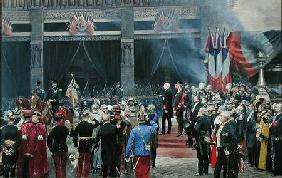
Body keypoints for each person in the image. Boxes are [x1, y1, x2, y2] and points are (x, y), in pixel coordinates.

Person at [125, 108, 158, 178]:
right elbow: (155, 126)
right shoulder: (149, 129)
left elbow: (129, 144)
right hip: (147, 154)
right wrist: (149, 120)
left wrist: (127, 155)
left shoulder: (134, 130)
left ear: (138, 119)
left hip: (137, 154)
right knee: (146, 173)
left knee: (138, 174)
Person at [20, 110, 49, 178]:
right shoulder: (38, 126)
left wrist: (29, 151)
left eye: (35, 115)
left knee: (34, 169)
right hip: (37, 151)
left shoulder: (38, 126)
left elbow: (32, 140)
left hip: (36, 151)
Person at [72, 109, 97, 178]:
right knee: (87, 162)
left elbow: (74, 135)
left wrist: (75, 145)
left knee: (80, 162)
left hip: (81, 144)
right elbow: (97, 123)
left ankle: (79, 175)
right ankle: (86, 176)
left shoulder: (79, 125)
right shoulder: (90, 125)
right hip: (88, 144)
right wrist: (92, 117)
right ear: (87, 116)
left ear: (82, 117)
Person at [214, 111, 239, 178]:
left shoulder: (230, 125)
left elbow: (234, 138)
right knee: (219, 164)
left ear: (226, 117)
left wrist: (228, 146)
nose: (220, 117)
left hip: (226, 149)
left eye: (221, 115)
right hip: (220, 147)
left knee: (226, 166)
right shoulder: (221, 125)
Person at [47, 109, 70, 178]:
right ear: (62, 119)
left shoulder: (53, 130)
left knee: (58, 168)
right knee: (63, 168)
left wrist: (51, 149)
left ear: (56, 120)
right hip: (64, 150)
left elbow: (49, 142)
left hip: (56, 150)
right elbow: (68, 141)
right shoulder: (66, 129)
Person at [96, 113, 120, 178]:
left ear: (103, 120)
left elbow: (96, 140)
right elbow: (119, 136)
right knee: (113, 164)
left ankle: (104, 176)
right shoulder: (114, 127)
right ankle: (113, 175)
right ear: (109, 119)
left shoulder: (101, 129)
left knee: (105, 165)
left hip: (104, 149)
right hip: (113, 149)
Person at [0, 111, 21, 178]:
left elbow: (19, 140)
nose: (11, 118)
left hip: (12, 151)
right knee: (6, 169)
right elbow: (1, 140)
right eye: (10, 116)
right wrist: (4, 147)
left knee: (12, 169)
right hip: (7, 151)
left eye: (12, 116)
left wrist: (12, 147)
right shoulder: (2, 128)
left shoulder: (17, 128)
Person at [193, 108, 211, 176]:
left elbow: (196, 130)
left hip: (201, 140)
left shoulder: (200, 120)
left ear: (201, 112)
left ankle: (200, 172)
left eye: (199, 111)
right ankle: (206, 171)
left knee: (200, 156)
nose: (197, 113)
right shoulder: (208, 119)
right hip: (207, 139)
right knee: (206, 156)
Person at [271, 103, 282, 175]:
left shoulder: (280, 117)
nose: (276, 108)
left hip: (278, 138)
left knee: (278, 155)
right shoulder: (278, 116)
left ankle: (278, 171)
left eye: (277, 107)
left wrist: (273, 128)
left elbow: (278, 128)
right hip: (276, 137)